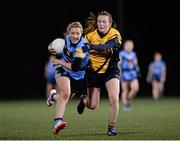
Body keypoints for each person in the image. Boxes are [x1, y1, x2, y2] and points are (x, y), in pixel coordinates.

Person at [77, 11, 122, 136]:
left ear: (110, 23)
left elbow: (106, 46)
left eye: (104, 22)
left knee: (114, 98)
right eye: (99, 21)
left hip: (110, 70)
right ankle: (83, 100)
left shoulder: (115, 34)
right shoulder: (89, 35)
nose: (101, 24)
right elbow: (80, 51)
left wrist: (90, 47)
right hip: (93, 72)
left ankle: (111, 127)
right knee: (92, 105)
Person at [47, 21, 90, 135]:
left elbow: (75, 67)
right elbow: (53, 45)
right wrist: (50, 47)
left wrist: (59, 61)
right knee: (65, 94)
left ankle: (53, 96)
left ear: (81, 34)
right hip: (64, 70)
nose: (75, 36)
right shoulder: (65, 39)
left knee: (63, 99)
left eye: (77, 34)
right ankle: (57, 122)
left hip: (78, 74)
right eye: (72, 33)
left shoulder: (82, 47)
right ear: (68, 33)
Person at [118, 40, 140, 111]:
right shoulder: (122, 53)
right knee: (125, 90)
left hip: (132, 73)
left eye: (131, 46)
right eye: (128, 45)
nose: (130, 47)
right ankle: (125, 105)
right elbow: (119, 64)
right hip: (124, 73)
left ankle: (128, 100)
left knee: (135, 88)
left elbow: (135, 63)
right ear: (125, 46)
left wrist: (137, 70)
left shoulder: (133, 54)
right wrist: (119, 73)